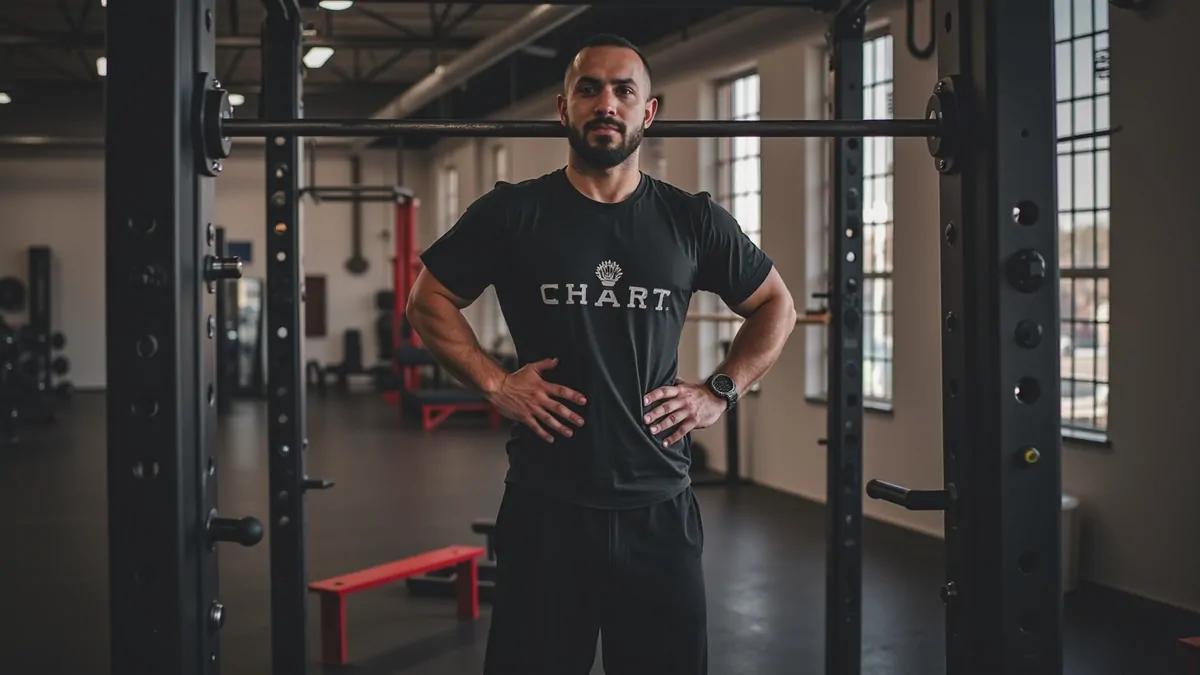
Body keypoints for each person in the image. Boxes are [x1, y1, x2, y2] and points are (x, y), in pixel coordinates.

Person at [406, 33, 797, 675]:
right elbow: (429, 299)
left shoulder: (690, 220)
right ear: (563, 109)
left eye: (623, 91)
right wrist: (495, 383)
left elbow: (774, 305)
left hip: (659, 509)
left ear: (648, 113)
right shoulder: (514, 212)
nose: (606, 103)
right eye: (589, 89)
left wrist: (719, 391)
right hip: (546, 507)